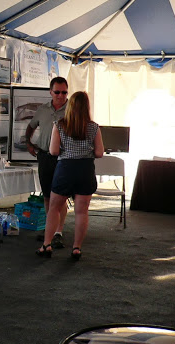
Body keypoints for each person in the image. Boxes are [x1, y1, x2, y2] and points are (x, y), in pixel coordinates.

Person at [36, 91, 104, 260]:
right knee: (81, 212)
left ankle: (47, 245)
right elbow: (99, 152)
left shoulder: (59, 125)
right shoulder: (94, 127)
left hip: (65, 169)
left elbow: (53, 151)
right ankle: (76, 248)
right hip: (85, 170)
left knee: (54, 208)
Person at [24, 76, 69, 248]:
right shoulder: (42, 110)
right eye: (57, 92)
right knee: (47, 196)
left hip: (63, 158)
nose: (60, 95)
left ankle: (58, 232)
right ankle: (49, 229)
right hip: (44, 156)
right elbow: (31, 126)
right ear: (50, 92)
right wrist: (28, 143)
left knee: (61, 196)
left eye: (64, 92)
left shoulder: (72, 110)